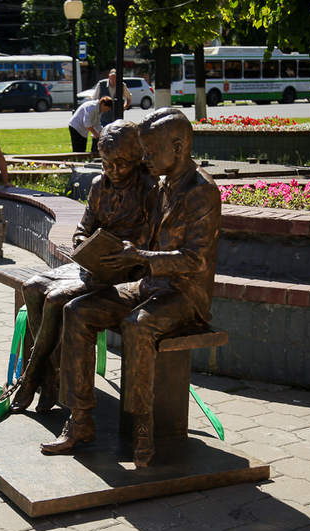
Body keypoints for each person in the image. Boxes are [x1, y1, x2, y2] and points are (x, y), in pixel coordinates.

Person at [40, 108, 222, 468]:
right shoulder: (164, 183)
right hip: (152, 284)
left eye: (151, 154)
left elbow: (194, 260)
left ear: (179, 146)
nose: (146, 161)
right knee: (77, 311)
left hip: (185, 295)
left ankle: (142, 427)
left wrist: (138, 254)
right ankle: (80, 421)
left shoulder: (201, 192)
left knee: (138, 325)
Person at [10, 119, 158, 415]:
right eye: (106, 164)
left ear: (136, 159)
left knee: (54, 299)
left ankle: (32, 378)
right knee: (31, 287)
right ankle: (50, 375)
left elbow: (147, 240)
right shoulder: (98, 185)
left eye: (121, 165)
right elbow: (83, 227)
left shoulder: (149, 190)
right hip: (90, 265)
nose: (113, 172)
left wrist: (121, 252)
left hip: (124, 275)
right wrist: (81, 243)